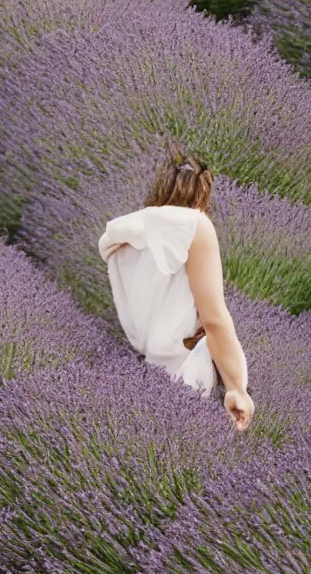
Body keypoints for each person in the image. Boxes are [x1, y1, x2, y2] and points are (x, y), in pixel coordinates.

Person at [98, 146, 255, 431]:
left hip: (148, 378)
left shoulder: (123, 237)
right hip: (188, 374)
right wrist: (236, 387)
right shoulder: (196, 226)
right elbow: (215, 318)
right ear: (203, 192)